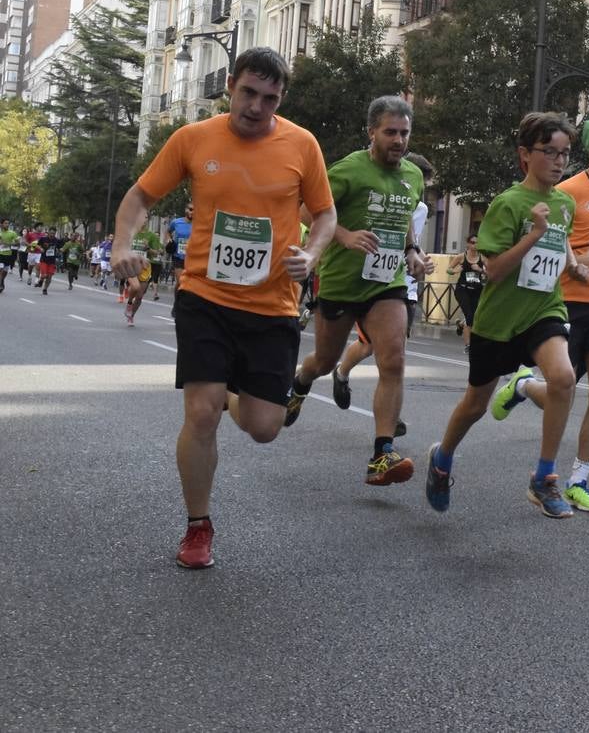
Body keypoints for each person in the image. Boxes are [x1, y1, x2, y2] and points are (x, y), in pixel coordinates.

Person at [111, 47, 336, 570]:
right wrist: (123, 243)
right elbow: (140, 198)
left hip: (274, 303)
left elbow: (325, 215)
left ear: (281, 99)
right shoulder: (193, 139)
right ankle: (197, 525)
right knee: (200, 411)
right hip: (205, 297)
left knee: (263, 427)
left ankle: (235, 393)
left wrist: (313, 252)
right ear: (231, 86)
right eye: (248, 93)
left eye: (269, 98)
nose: (256, 106)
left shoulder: (302, 145)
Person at [424, 112, 587, 518]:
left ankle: (544, 478)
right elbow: (494, 270)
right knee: (476, 404)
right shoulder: (508, 203)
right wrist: (532, 234)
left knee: (564, 378)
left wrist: (576, 265)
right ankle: (442, 459)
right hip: (498, 321)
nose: (558, 160)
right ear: (524, 155)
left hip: (543, 309)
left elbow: (560, 241)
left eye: (565, 153)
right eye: (548, 151)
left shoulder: (564, 203)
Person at [489, 117, 589, 513]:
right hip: (567, 300)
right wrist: (576, 263)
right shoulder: (567, 190)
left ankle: (579, 479)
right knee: (562, 389)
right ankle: (523, 387)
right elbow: (557, 241)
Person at [283, 98, 427, 486]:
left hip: (387, 281)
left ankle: (382, 453)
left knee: (393, 359)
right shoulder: (347, 169)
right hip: (342, 281)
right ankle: (301, 380)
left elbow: (403, 218)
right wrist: (344, 237)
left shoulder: (413, 175)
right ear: (372, 132)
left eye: (405, 133)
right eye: (391, 132)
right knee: (325, 360)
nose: (399, 140)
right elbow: (306, 211)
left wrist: (412, 251)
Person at [449, 234, 486, 352]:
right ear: (468, 244)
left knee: (473, 316)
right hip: (462, 289)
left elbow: (490, 272)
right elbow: (448, 269)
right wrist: (455, 271)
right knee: (469, 315)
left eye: (477, 243)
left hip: (477, 290)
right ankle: (468, 346)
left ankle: (461, 324)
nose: (475, 245)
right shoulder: (461, 257)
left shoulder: (483, 258)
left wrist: (480, 270)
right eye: (473, 242)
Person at [167, 203, 194, 290]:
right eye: (190, 209)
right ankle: (178, 302)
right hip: (178, 256)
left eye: (195, 210)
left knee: (182, 284)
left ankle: (177, 300)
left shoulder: (198, 224)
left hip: (191, 258)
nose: (192, 212)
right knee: (181, 282)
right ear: (185, 210)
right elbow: (168, 231)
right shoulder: (176, 222)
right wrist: (169, 239)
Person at [35, 227, 60, 295]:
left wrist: (58, 252)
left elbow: (59, 248)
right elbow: (37, 245)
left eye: (54, 233)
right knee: (44, 275)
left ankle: (45, 289)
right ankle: (41, 280)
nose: (52, 234)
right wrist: (40, 248)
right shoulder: (43, 239)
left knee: (49, 277)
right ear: (48, 232)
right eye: (51, 233)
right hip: (44, 260)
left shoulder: (56, 240)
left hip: (52, 261)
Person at [0, 219, 19, 292]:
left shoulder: (12, 233)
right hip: (0, 254)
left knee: (5, 271)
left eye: (8, 223)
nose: (7, 225)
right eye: (5, 223)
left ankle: (2, 280)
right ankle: (0, 283)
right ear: (1, 224)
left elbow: (17, 243)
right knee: (1, 269)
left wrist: (10, 244)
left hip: (8, 254)